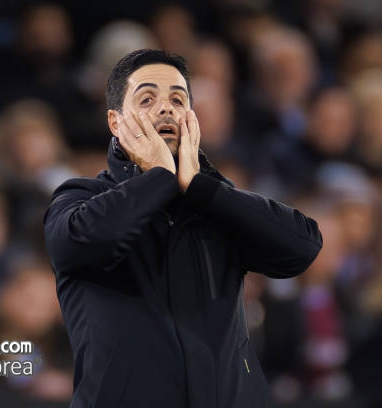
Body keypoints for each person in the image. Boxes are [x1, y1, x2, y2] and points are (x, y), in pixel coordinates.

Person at [43, 49, 323, 408]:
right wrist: (158, 176)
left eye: (177, 100)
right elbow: (87, 242)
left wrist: (203, 188)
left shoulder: (215, 203)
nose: (166, 108)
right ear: (115, 122)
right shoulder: (81, 197)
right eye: (147, 99)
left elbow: (302, 248)